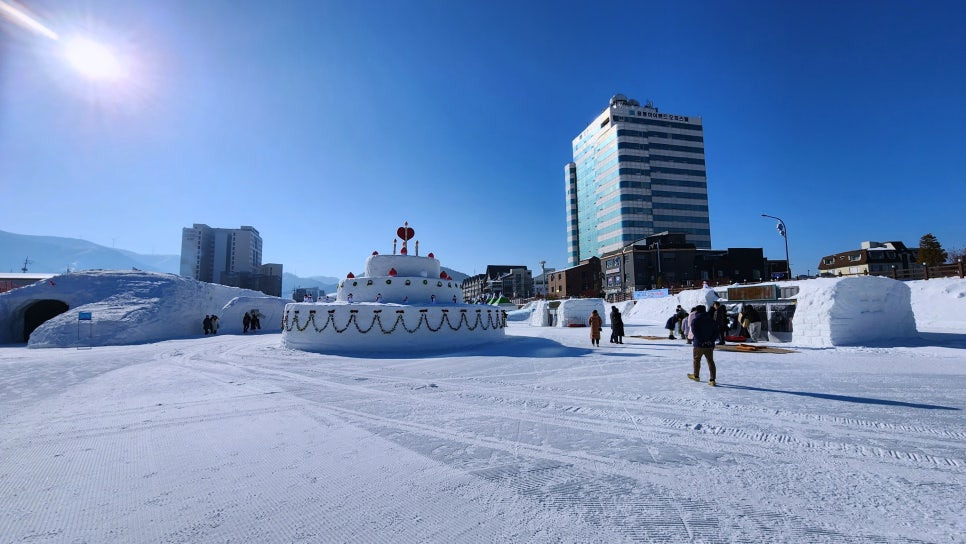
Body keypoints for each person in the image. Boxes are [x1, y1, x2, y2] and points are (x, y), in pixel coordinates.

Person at [687, 305, 719, 386]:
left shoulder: (695, 320)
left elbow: (695, 332)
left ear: (697, 311)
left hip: (699, 344)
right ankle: (712, 379)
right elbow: (716, 332)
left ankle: (696, 376)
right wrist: (710, 341)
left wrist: (702, 341)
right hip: (709, 345)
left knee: (697, 359)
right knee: (710, 361)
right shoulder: (712, 320)